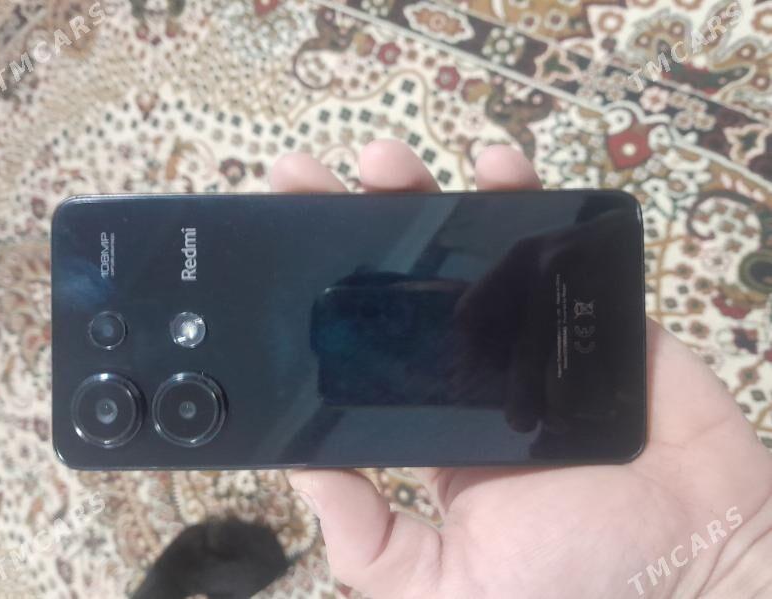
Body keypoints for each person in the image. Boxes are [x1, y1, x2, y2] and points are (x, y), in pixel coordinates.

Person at [269, 140, 772, 598]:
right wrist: (727, 562)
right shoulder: (544, 432)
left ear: (426, 285)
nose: (413, 339)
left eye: (398, 313)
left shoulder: (541, 284)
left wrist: (742, 549)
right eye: (394, 361)